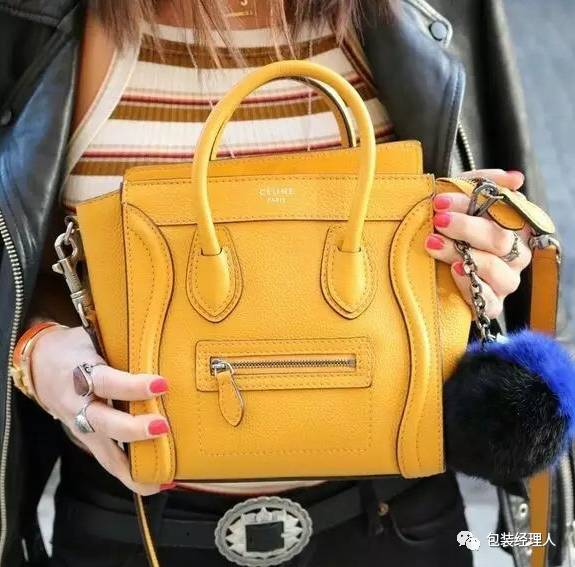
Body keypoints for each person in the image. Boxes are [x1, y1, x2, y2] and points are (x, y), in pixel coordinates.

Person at [0, 0, 543, 565]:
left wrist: (491, 259)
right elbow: (25, 263)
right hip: (132, 527)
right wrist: (33, 352)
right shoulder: (31, 19)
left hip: (397, 520)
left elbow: (499, 250)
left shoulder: (431, 12)